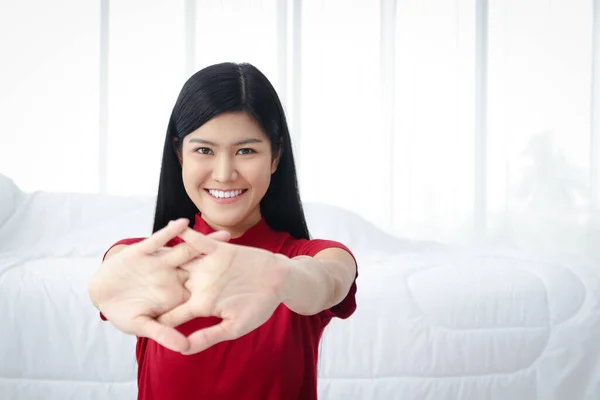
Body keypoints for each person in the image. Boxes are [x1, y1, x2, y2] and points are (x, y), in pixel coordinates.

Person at [88, 62, 358, 400]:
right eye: (204, 150)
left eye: (246, 151)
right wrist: (105, 277)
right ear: (179, 154)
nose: (224, 173)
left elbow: (327, 281)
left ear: (275, 156)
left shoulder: (315, 256)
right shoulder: (145, 260)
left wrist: (280, 276)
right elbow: (118, 267)